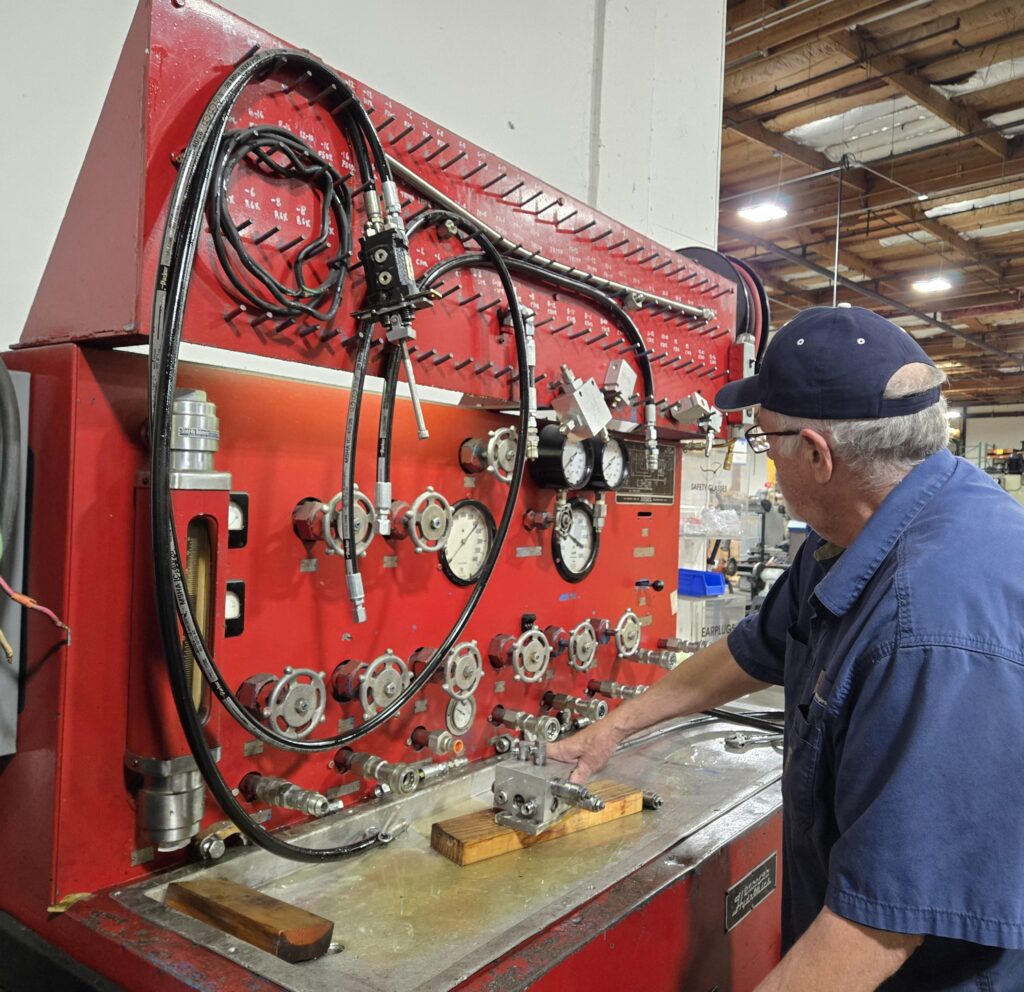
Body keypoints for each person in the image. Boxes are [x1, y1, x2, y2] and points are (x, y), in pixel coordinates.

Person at [549, 305, 1024, 991]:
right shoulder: (861, 533)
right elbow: (756, 648)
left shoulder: (932, 627)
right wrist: (613, 728)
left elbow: (879, 924)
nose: (767, 459)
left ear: (815, 454)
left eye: (767, 440)